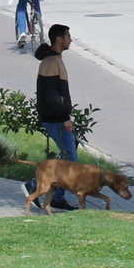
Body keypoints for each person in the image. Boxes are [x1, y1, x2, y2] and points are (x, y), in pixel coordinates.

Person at [28, 24, 79, 212]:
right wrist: (65, 117)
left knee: (68, 156)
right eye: (68, 36)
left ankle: (57, 197)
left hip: (58, 118)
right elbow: (51, 96)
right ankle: (34, 185)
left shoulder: (54, 59)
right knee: (69, 159)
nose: (70, 40)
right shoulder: (51, 62)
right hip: (56, 119)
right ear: (59, 39)